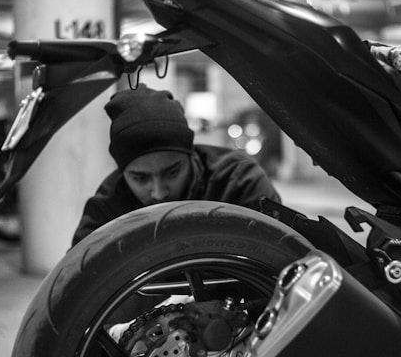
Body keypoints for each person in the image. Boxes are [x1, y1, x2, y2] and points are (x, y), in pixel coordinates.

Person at [71, 83, 281, 247]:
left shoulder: (239, 181)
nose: (159, 193)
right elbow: (73, 284)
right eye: (140, 178)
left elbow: (286, 255)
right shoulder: (108, 206)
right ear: (122, 172)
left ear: (191, 155)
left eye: (172, 172)